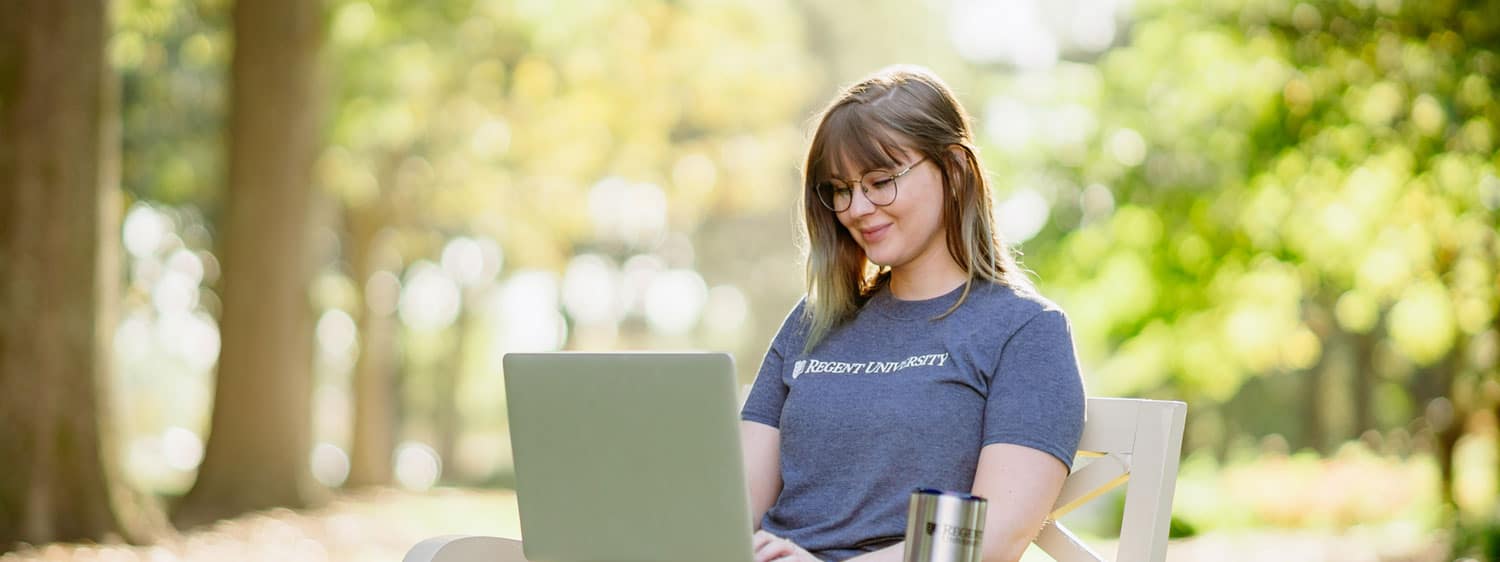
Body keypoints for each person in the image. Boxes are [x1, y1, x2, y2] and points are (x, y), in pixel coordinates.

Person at [739, 65, 1087, 562]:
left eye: (880, 181)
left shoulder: (1025, 332)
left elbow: (993, 534)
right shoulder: (813, 321)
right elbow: (734, 510)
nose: (856, 208)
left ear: (955, 170)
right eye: (839, 188)